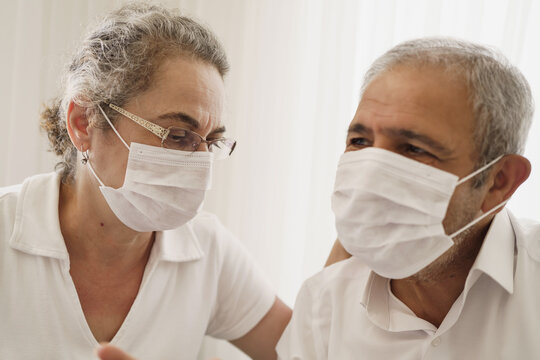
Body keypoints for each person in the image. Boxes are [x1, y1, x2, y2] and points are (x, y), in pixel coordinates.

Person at [0, 3, 293, 359]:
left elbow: (309, 350)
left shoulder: (205, 250)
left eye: (211, 141)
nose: (200, 163)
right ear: (84, 124)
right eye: (177, 134)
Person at [277, 37, 539, 359]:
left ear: (499, 182)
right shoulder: (322, 303)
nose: (370, 177)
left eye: (414, 149)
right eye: (359, 141)